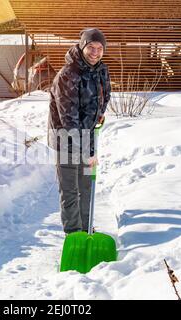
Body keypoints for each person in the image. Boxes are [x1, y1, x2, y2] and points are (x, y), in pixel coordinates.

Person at [47, 28, 112, 234]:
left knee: (86, 187)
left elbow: (105, 96)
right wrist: (85, 149)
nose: (95, 52)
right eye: (91, 47)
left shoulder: (101, 71)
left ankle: (86, 229)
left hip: (87, 138)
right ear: (82, 46)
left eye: (100, 48)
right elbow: (69, 117)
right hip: (67, 139)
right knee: (70, 190)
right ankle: (74, 233)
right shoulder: (68, 74)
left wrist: (99, 116)